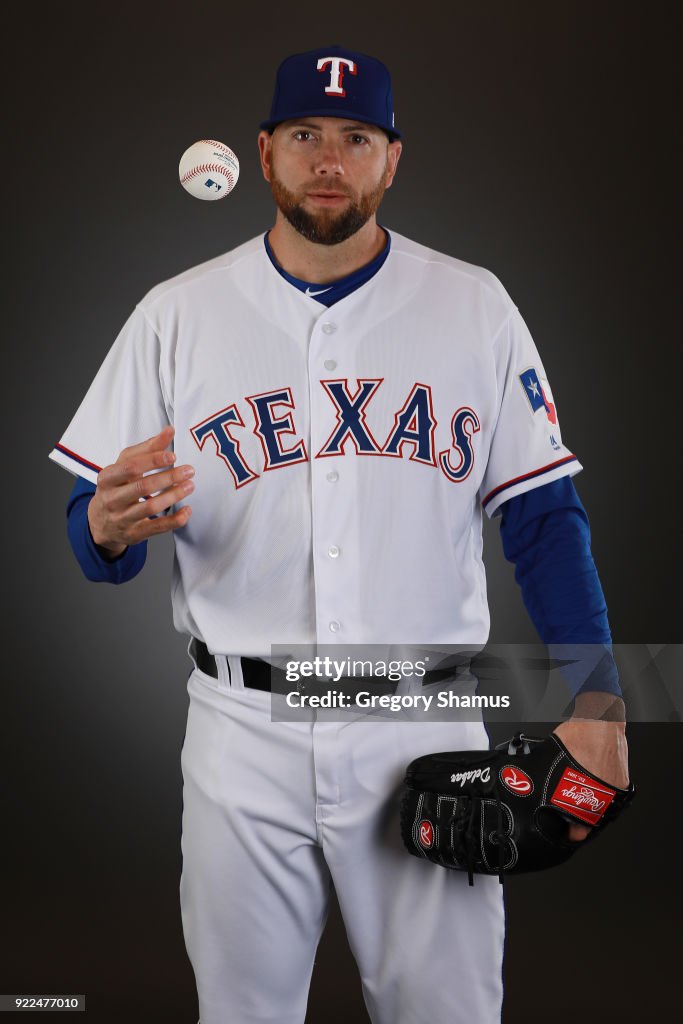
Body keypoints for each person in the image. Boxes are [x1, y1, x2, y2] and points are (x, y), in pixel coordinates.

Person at [50, 45, 629, 1024]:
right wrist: (103, 532)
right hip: (239, 730)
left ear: (390, 159)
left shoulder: (472, 305)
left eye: (355, 137)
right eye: (306, 135)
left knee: (447, 1011)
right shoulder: (175, 316)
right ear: (264, 151)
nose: (329, 157)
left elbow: (541, 518)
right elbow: (95, 533)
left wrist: (601, 698)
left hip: (424, 722)